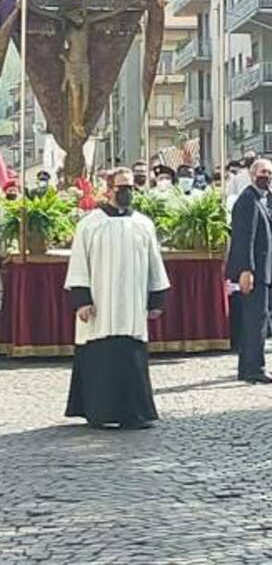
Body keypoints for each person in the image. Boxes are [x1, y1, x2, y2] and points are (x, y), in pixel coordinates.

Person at [64, 168, 170, 429]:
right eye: (122, 187)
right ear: (109, 190)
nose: (127, 192)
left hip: (131, 307)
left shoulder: (143, 224)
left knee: (130, 356)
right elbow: (78, 264)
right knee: (100, 358)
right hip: (100, 306)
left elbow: (154, 265)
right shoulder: (89, 224)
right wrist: (82, 299)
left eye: (131, 187)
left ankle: (134, 413)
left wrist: (156, 300)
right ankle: (100, 412)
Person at [226, 158, 272, 385]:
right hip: (254, 271)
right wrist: (245, 270)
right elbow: (243, 238)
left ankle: (249, 367)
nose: (266, 176)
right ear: (251, 174)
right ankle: (254, 367)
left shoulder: (261, 200)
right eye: (262, 172)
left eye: (269, 173)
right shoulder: (247, 201)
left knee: (257, 320)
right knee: (255, 321)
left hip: (263, 271)